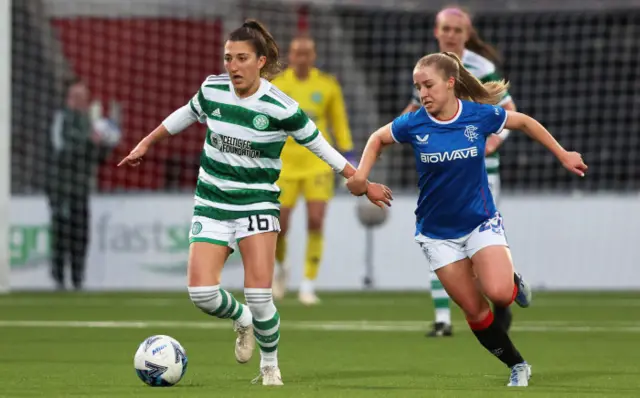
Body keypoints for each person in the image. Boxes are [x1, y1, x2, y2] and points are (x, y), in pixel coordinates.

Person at [118, 19, 392, 387]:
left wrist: (360, 178)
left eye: (241, 58)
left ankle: (269, 367)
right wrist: (146, 143)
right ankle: (242, 319)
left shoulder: (281, 106)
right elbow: (186, 113)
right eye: (228, 57)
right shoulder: (213, 89)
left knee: (261, 296)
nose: (232, 66)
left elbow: (319, 143)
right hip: (212, 203)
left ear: (261, 62)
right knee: (201, 294)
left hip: (257, 206)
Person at [346, 52, 587, 387]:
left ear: (450, 83)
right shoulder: (414, 123)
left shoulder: (478, 116)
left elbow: (524, 122)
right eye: (418, 87)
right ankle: (518, 365)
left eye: (428, 85)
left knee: (500, 294)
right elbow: (377, 139)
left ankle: (513, 283)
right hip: (436, 234)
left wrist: (563, 154)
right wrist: (362, 178)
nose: (423, 93)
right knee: (474, 311)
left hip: (480, 222)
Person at [402, 6, 518, 337]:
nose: (451, 34)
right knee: (438, 238)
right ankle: (442, 320)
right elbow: (416, 110)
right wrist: (391, 136)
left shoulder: (482, 67)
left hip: (480, 169)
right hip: (441, 169)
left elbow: (508, 110)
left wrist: (495, 141)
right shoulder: (429, 69)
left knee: (477, 246)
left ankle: (502, 297)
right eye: (446, 29)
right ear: (436, 32)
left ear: (467, 35)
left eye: (458, 30)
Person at [270, 35, 356, 305]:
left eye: (307, 53)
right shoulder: (278, 85)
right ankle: (282, 268)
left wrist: (348, 154)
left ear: (314, 56)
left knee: (316, 220)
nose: (302, 58)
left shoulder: (327, 85)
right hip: (285, 165)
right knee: (279, 227)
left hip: (317, 163)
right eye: (297, 53)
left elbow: (339, 121)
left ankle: (307, 284)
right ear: (290, 56)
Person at [46, 79, 120, 291]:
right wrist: (91, 140)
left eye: (84, 98)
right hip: (60, 187)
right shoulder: (62, 119)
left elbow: (95, 157)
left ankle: (78, 279)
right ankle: (59, 279)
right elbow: (62, 149)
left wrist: (106, 144)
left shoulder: (88, 122)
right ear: (69, 98)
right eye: (77, 97)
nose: (81, 102)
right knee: (62, 233)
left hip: (80, 187)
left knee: (81, 234)